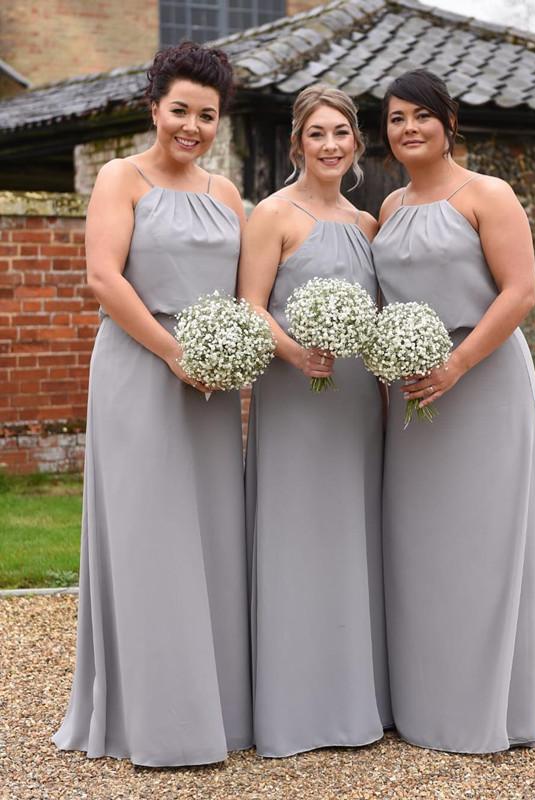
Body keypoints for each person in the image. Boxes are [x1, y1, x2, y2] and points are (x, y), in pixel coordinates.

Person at [52, 42, 252, 767]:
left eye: (206, 114)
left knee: (212, 538)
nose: (191, 126)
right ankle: (149, 720)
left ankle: (217, 713)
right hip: (142, 370)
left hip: (212, 382)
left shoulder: (227, 194)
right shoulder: (120, 177)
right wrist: (175, 355)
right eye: (180, 111)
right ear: (154, 108)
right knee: (146, 536)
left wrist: (228, 352)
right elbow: (104, 278)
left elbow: (249, 290)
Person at [372, 69, 535, 754]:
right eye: (396, 119)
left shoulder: (489, 194)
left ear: (449, 122)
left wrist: (457, 363)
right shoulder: (388, 209)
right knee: (416, 546)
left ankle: (488, 709)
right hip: (411, 395)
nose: (409, 129)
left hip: (481, 381)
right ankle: (424, 703)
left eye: (421, 115)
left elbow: (519, 293)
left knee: (482, 544)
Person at [238, 84, 392, 758]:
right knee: (296, 535)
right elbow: (250, 305)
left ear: (355, 143)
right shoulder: (271, 215)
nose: (330, 145)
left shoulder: (367, 227)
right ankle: (294, 712)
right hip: (296, 394)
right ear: (296, 142)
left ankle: (359, 700)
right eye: (317, 133)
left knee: (354, 537)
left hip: (358, 401)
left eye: (341, 133)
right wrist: (298, 354)